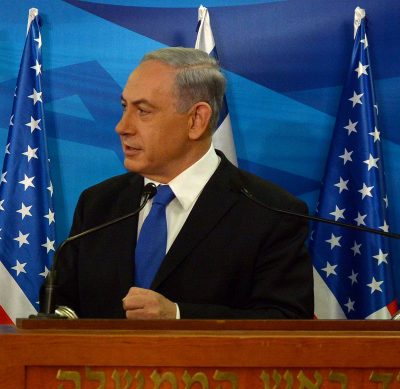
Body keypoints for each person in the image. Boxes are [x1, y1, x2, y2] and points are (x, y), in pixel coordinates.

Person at [48, 47, 313, 319]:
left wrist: (178, 315)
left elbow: (286, 322)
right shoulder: (98, 204)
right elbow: (61, 307)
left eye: (143, 111)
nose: (122, 126)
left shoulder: (270, 213)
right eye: (125, 107)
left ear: (196, 120)